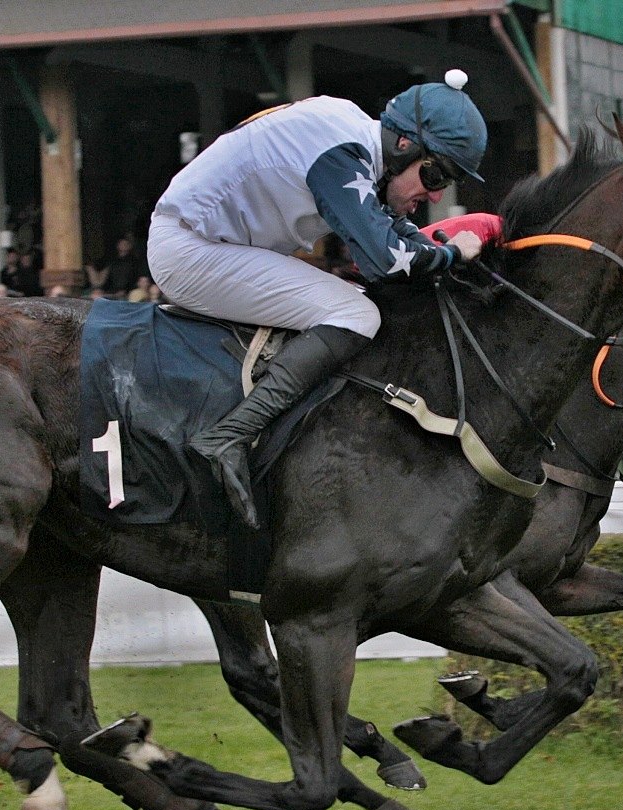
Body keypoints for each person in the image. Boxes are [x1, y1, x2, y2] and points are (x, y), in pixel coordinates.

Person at [147, 72, 488, 527]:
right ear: (403, 145)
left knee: (352, 302)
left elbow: (391, 226)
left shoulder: (358, 142)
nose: (438, 193)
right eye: (436, 174)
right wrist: (452, 253)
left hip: (216, 245)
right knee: (356, 313)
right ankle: (229, 436)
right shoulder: (340, 153)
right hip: (189, 251)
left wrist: (438, 250)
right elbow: (387, 262)